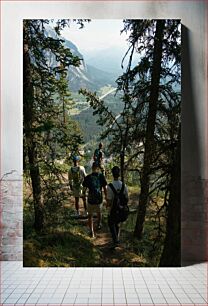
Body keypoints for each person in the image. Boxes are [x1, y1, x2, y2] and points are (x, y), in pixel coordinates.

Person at [83, 162, 107, 238]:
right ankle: (99, 223)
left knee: (90, 216)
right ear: (98, 168)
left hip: (90, 199)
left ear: (92, 168)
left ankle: (92, 232)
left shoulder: (88, 177)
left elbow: (84, 189)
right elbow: (105, 188)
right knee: (99, 212)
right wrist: (106, 197)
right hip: (99, 199)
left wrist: (83, 195)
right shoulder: (101, 176)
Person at [106, 166, 128, 249]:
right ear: (119, 174)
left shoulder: (110, 186)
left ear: (112, 174)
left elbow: (109, 201)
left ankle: (115, 241)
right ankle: (117, 239)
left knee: (111, 223)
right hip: (121, 210)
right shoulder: (124, 185)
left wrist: (107, 206)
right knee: (118, 223)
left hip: (113, 210)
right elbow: (127, 198)